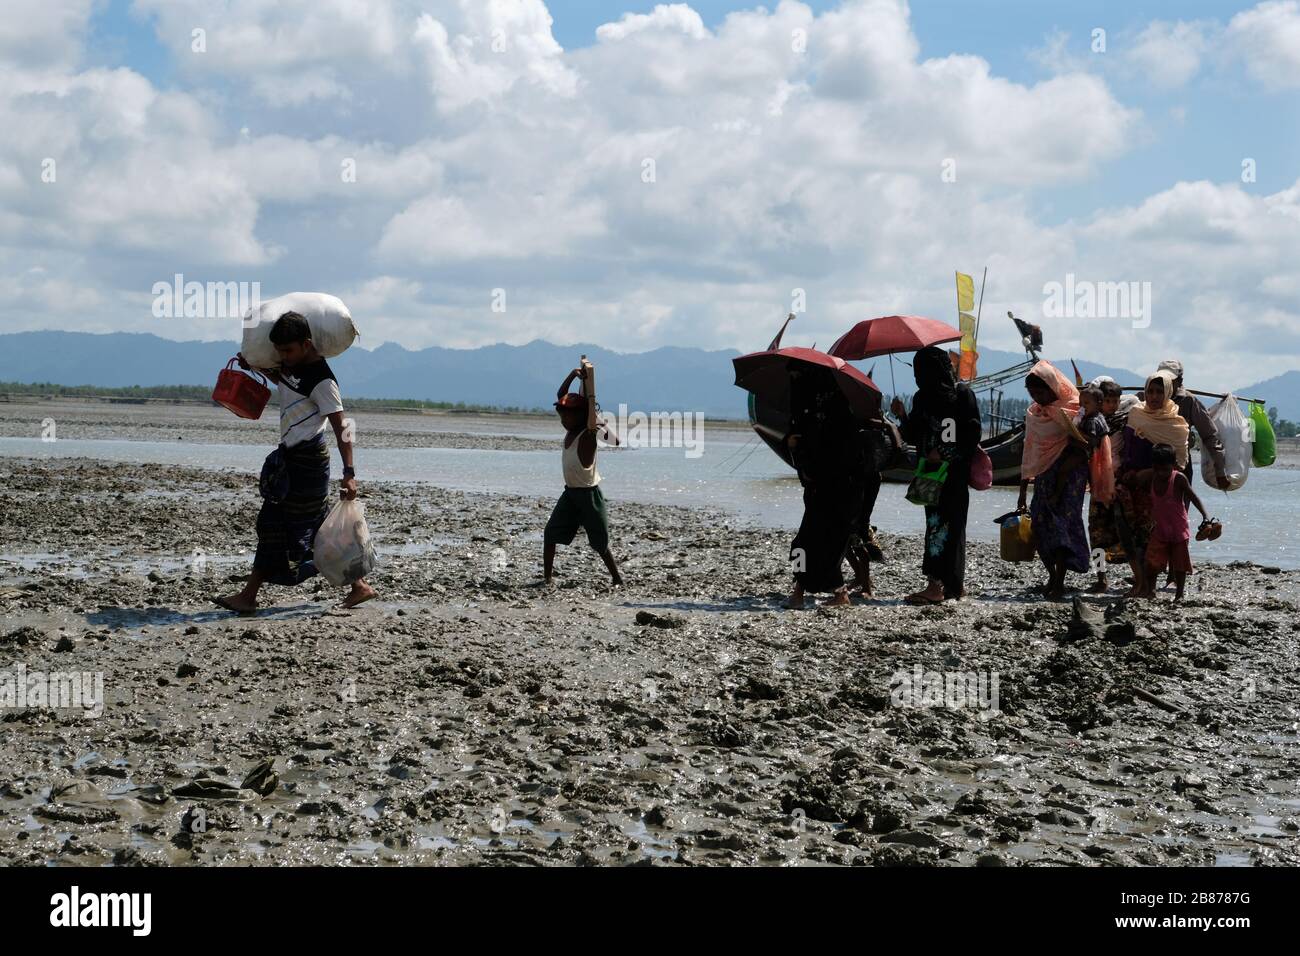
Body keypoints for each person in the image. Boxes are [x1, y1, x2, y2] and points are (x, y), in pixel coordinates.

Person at [215, 312, 376, 613]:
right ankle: (358, 586)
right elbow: (287, 383)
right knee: (312, 527)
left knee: (278, 523)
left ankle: (249, 596)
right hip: (290, 459)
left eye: (288, 351)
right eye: (280, 352)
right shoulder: (293, 368)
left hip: (309, 463)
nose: (283, 357)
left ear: (305, 344)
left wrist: (350, 473)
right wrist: (257, 368)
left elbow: (343, 428)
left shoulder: (323, 381)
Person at [889, 347, 981, 604]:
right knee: (937, 524)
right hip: (931, 474)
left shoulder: (962, 395)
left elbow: (971, 434)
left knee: (948, 525)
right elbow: (911, 434)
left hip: (953, 474)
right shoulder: (922, 398)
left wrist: (943, 452)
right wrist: (901, 415)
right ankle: (948, 586)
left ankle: (940, 586)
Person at [1017, 362, 1102, 600]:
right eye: (1032, 393)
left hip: (1070, 479)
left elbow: (1090, 442)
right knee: (1040, 526)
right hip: (1044, 478)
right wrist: (1023, 491)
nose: (1037, 397)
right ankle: (1052, 574)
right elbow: (1030, 451)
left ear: (1054, 388)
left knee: (1063, 526)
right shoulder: (1035, 414)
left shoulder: (1076, 408)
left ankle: (1059, 580)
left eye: (1041, 392)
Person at [785, 364, 863, 608]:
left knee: (830, 543)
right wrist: (792, 442)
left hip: (840, 489)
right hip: (817, 488)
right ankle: (798, 590)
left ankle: (839, 593)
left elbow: (843, 452)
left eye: (798, 376)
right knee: (801, 543)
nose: (795, 382)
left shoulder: (837, 412)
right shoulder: (805, 410)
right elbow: (798, 443)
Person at [543, 363, 622, 586]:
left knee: (599, 543)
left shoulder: (587, 434)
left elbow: (616, 441)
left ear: (580, 417)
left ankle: (617, 578)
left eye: (568, 417)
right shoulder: (571, 431)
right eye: (562, 417)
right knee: (550, 533)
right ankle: (547, 579)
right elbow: (561, 396)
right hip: (570, 494)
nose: (563, 421)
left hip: (589, 496)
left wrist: (595, 416)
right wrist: (572, 375)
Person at [1115, 370, 1190, 597]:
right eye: (1150, 391)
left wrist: (1149, 473)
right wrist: (1125, 472)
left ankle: (1149, 586)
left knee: (1152, 539)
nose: (1154, 396)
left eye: (1159, 392)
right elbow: (1126, 447)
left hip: (1156, 491)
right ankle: (1139, 581)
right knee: (1126, 532)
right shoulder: (1136, 414)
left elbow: (1178, 463)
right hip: (1129, 485)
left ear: (1168, 393)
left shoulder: (1176, 424)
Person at [1145, 442, 1209, 601]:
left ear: (1173, 465)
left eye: (1166, 470)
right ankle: (1151, 591)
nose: (1162, 473)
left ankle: (1179, 594)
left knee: (1180, 564)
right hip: (1159, 529)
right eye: (1158, 469)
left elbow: (1194, 498)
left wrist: (1205, 516)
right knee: (1153, 562)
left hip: (1178, 530)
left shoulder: (1178, 478)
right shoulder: (1151, 479)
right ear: (1153, 466)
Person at [1157, 359, 1232, 493]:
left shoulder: (1188, 400)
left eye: (1170, 380)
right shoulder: (1146, 397)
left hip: (1179, 464)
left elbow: (1209, 435)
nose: (1164, 384)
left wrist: (1220, 471)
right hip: (1150, 463)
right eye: (1162, 379)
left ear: (1179, 381)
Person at [1085, 378, 1130, 592]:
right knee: (1096, 532)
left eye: (1115, 401)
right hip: (1098, 484)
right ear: (1100, 401)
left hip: (1119, 483)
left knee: (1126, 529)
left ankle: (1137, 575)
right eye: (1108, 401)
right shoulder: (1092, 422)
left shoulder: (1125, 422)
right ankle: (1101, 578)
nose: (1112, 405)